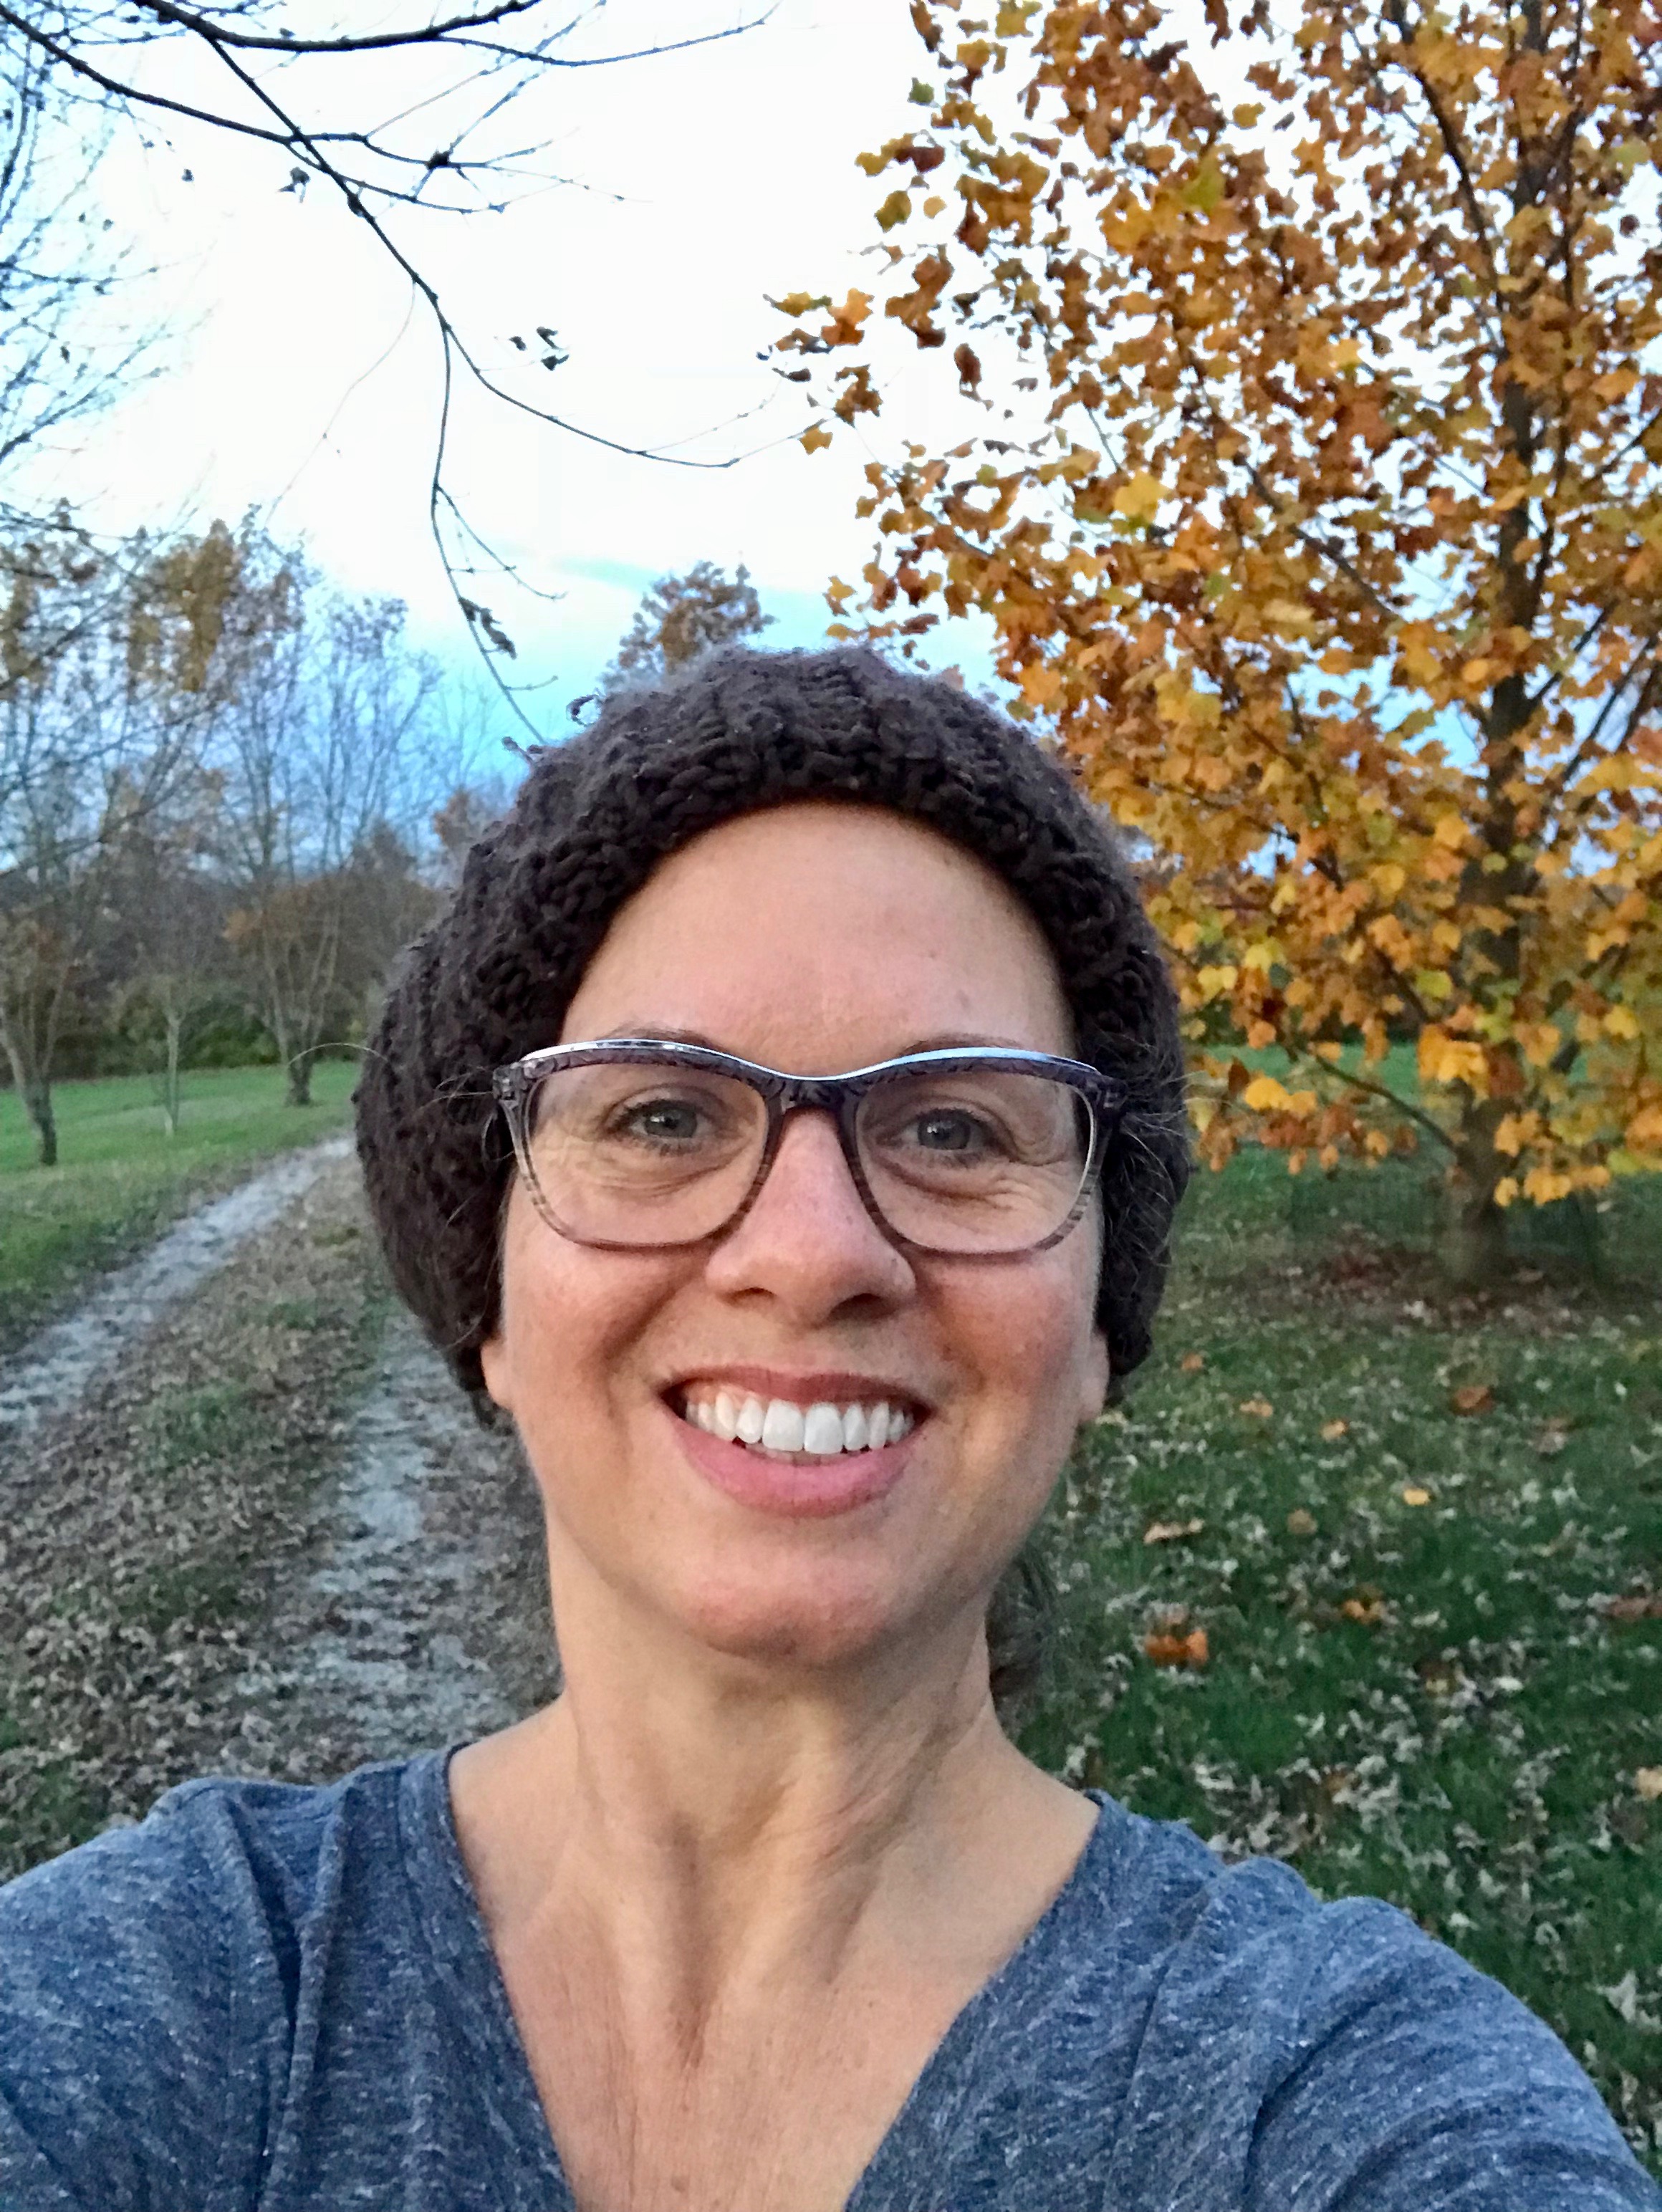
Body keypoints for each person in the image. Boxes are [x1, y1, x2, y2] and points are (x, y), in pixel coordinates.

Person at [1, 646, 1656, 2212]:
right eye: (659, 1112)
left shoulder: (1326, 2101)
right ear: (488, 1303)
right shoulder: (170, 2002)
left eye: (950, 1125)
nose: (810, 1251)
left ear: (1092, 1330)